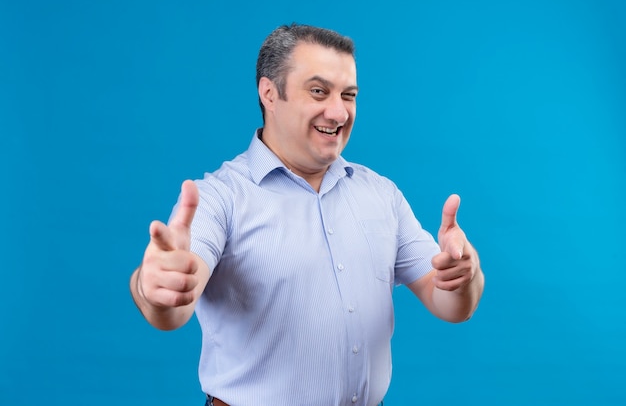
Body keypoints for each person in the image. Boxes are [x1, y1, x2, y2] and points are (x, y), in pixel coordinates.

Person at [130, 23, 484, 406]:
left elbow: (451, 305)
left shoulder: (381, 194)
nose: (338, 112)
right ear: (269, 93)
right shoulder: (219, 198)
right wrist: (153, 289)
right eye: (318, 91)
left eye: (348, 96)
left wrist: (465, 276)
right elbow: (170, 309)